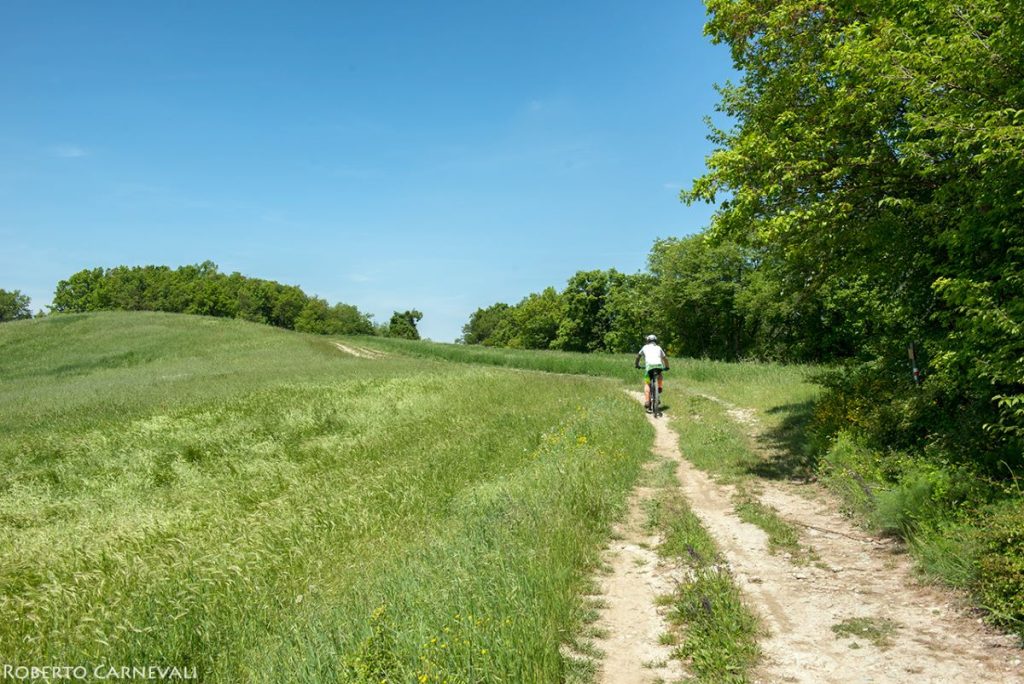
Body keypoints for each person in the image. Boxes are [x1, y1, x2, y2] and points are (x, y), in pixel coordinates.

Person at [635, 334, 669, 412]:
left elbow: (638, 357)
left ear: (647, 341)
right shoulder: (659, 347)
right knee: (660, 374)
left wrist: (637, 365)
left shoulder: (644, 347)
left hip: (649, 367)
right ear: (655, 341)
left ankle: (647, 401)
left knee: (647, 383)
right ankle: (659, 387)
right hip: (658, 366)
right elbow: (665, 358)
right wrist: (667, 366)